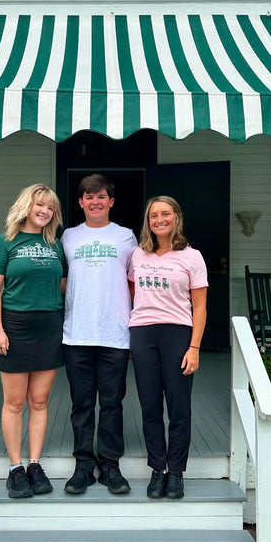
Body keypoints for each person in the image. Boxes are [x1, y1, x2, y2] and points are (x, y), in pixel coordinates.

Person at [0, 184, 66, 499]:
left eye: (50, 207)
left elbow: (62, 285)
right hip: (15, 327)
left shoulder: (56, 245)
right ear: (26, 206)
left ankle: (34, 464)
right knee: (15, 402)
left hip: (49, 327)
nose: (45, 211)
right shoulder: (5, 242)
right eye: (39, 205)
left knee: (40, 401)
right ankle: (15, 468)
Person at [62, 174, 137, 495]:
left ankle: (109, 465)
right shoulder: (67, 236)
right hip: (76, 333)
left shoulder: (126, 237)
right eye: (89, 197)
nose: (95, 202)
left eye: (101, 196)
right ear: (81, 202)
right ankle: (83, 465)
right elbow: (60, 279)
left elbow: (136, 281)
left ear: (111, 201)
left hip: (115, 333)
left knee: (111, 404)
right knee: (81, 404)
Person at [128, 196, 207, 500]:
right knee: (149, 406)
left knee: (178, 407)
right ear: (148, 222)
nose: (159, 220)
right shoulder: (138, 255)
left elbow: (199, 306)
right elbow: (132, 292)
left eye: (165, 214)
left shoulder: (192, 257)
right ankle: (157, 468)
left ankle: (175, 471)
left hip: (178, 334)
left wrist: (194, 346)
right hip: (143, 332)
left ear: (176, 217)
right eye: (153, 216)